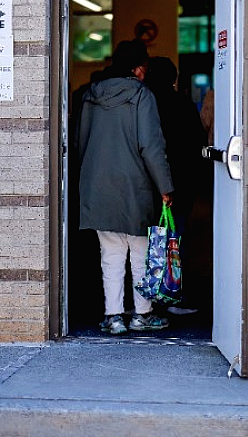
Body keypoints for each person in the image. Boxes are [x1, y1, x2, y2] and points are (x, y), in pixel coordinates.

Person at [75, 40, 174, 335]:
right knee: (140, 253)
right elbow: (151, 146)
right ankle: (142, 314)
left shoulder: (90, 95)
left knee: (111, 254)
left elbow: (80, 143)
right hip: (136, 186)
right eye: (146, 66)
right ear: (138, 69)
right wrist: (165, 186)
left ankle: (114, 316)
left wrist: (89, 179)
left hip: (97, 186)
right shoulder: (142, 95)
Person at [144, 57, 206, 315]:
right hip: (178, 187)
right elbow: (197, 145)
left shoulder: (142, 103)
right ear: (174, 79)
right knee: (173, 242)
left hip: (145, 185)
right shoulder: (184, 105)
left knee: (142, 242)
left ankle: (142, 299)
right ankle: (171, 296)